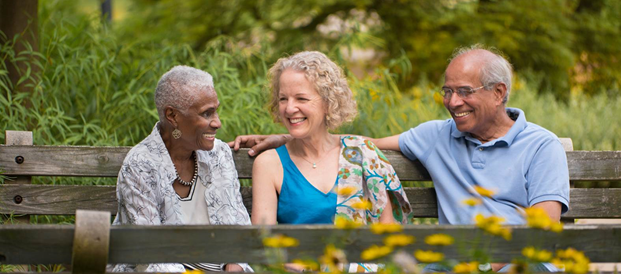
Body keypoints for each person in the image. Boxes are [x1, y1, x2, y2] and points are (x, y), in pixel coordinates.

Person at [230, 45, 570, 272]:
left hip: (520, 263)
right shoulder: (436, 135)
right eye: (447, 91)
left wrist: (482, 267)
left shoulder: (541, 146)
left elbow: (540, 230)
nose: (452, 102)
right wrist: (288, 137)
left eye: (464, 91)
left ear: (498, 93)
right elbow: (357, 144)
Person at [252, 51, 413, 272]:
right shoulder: (269, 164)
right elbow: (265, 245)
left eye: (301, 98)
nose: (289, 109)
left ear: (328, 103)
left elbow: (388, 234)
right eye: (283, 99)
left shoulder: (361, 154)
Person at [111, 66, 252, 273]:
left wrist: (235, 266)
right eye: (207, 113)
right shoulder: (140, 165)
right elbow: (151, 255)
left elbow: (238, 225)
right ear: (173, 116)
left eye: (216, 110)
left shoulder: (219, 153)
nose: (217, 122)